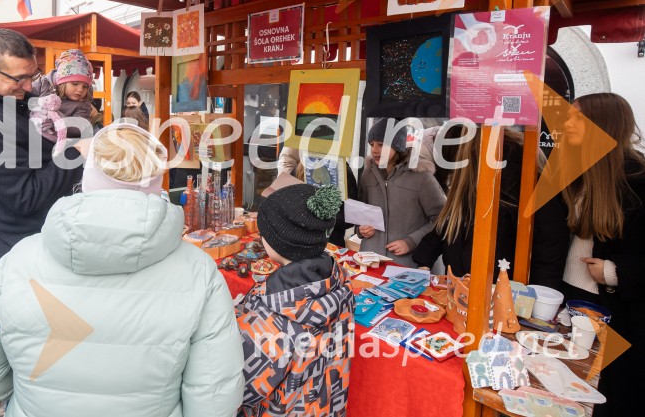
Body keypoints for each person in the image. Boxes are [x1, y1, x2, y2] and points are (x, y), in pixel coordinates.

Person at [0, 123, 243, 416]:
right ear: (157, 182)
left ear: (88, 176)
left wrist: (25, 389)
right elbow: (214, 399)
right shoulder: (199, 270)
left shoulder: (19, 259)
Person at [0, 29, 85, 266]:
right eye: (20, 78)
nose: (29, 86)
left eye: (33, 75)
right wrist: (76, 153)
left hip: (24, 238)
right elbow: (25, 196)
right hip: (22, 247)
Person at [558, 92, 645, 417]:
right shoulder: (575, 169)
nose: (566, 124)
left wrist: (614, 271)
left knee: (606, 396)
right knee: (565, 390)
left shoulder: (638, 179)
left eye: (576, 117)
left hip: (614, 310)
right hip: (569, 299)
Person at [236, 184, 353, 416]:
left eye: (263, 232)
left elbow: (238, 389)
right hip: (326, 406)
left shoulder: (272, 315)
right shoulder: (339, 281)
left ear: (278, 241)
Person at [412, 127, 570, 286]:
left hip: (499, 289)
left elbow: (549, 239)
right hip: (462, 285)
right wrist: (424, 259)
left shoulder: (518, 176)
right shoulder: (472, 179)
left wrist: (539, 291)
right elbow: (449, 224)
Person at [357, 118, 446, 267]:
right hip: (370, 262)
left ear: (397, 146)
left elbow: (442, 219)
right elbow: (361, 213)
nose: (374, 150)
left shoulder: (421, 176)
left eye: (381, 144)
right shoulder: (368, 174)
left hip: (406, 265)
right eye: (372, 144)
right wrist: (361, 229)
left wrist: (411, 242)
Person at [30, 48, 98, 144]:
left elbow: (81, 126)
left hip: (57, 143)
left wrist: (59, 122)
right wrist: (35, 111)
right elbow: (25, 98)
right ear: (62, 82)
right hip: (31, 133)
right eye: (75, 83)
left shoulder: (83, 104)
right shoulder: (42, 85)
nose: (80, 89)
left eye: (85, 86)